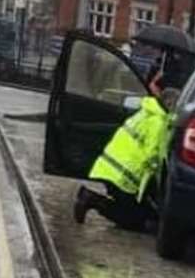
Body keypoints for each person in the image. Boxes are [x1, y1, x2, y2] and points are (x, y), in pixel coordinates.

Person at [73, 74, 178, 231]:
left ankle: (92, 199)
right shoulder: (158, 123)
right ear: (170, 106)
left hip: (110, 168)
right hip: (123, 177)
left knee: (141, 213)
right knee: (134, 220)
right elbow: (152, 156)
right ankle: (92, 200)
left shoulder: (146, 112)